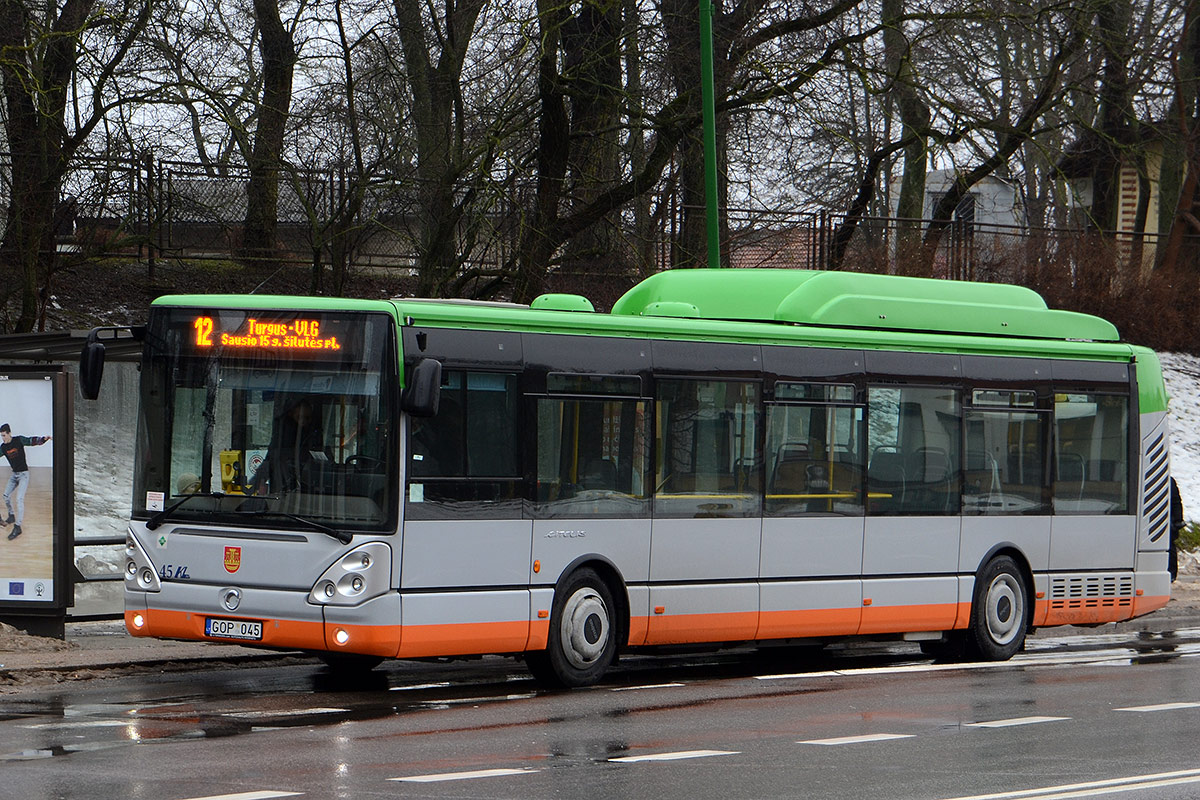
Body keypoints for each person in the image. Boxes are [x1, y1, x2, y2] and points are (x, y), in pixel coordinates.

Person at [252, 397, 324, 494]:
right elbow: (271, 459)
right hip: (282, 489)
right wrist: (258, 482)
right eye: (299, 417)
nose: (303, 422)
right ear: (291, 414)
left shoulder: (314, 435)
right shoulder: (282, 436)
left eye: (307, 418)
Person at [0, 423, 51, 541]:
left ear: (9, 433)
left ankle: (18, 527)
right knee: (6, 496)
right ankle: (11, 516)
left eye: (4, 435)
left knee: (19, 499)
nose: (3, 438)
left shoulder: (18, 440)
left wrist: (43, 439)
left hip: (24, 475)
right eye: (1, 436)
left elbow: (31, 441)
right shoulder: (3, 447)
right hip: (14, 475)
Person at [1170, 477, 1185, 582]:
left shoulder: (1168, 481)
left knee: (1169, 546)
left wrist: (1178, 520)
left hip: (1166, 521)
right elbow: (1176, 502)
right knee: (1170, 546)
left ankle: (1171, 573)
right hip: (1168, 520)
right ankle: (1172, 573)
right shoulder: (1169, 480)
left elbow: (1176, 502)